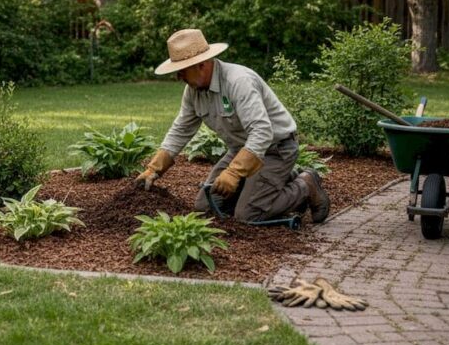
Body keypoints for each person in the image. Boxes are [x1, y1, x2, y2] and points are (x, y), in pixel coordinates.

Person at [134, 28, 330, 223]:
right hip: (241, 151)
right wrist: (154, 169)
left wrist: (234, 172)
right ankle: (278, 182)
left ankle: (305, 184)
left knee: (248, 215)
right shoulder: (193, 91)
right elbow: (181, 129)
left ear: (201, 65)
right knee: (206, 207)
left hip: (276, 150)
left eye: (182, 71)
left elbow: (262, 132)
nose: (179, 77)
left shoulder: (238, 81)